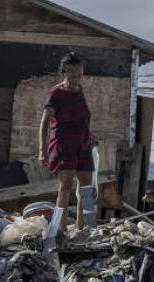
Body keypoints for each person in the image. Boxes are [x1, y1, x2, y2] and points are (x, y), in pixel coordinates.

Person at [38, 52, 94, 233]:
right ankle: (60, 230)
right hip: (64, 144)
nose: (76, 79)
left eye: (79, 75)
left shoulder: (80, 91)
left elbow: (83, 118)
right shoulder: (56, 93)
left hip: (83, 144)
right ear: (64, 73)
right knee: (66, 186)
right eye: (72, 75)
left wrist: (90, 138)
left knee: (86, 187)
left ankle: (83, 228)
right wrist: (42, 150)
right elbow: (45, 123)